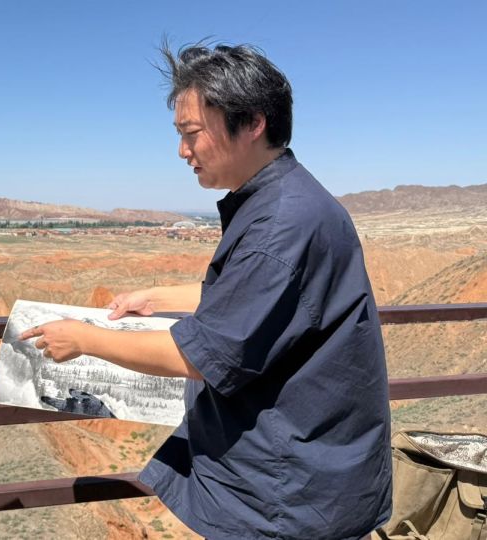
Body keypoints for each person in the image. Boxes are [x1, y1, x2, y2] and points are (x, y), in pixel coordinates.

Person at [21, 43, 392, 539]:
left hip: (286, 493)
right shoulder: (288, 202)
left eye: (191, 133)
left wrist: (85, 340)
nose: (182, 150)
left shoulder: (281, 224)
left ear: (253, 122)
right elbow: (260, 299)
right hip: (299, 476)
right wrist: (157, 298)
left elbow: (202, 353)